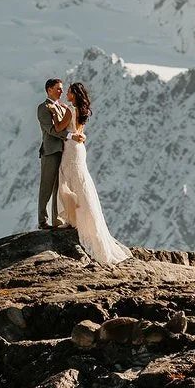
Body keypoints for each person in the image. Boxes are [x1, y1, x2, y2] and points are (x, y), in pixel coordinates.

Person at [55, 81, 131, 263]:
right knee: (80, 182)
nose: (67, 94)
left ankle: (72, 218)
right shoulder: (82, 111)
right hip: (80, 147)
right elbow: (77, 129)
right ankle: (81, 219)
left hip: (71, 148)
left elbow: (59, 128)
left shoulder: (70, 110)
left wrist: (54, 114)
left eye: (69, 92)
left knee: (66, 180)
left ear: (75, 94)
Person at [37, 78, 83, 230]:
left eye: (62, 89)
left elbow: (69, 126)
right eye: (58, 89)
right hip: (50, 151)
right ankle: (43, 221)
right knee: (47, 186)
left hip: (65, 152)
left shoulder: (63, 107)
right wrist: (71, 137)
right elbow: (51, 130)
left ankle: (57, 221)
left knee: (59, 187)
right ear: (49, 89)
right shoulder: (43, 108)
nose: (61, 91)